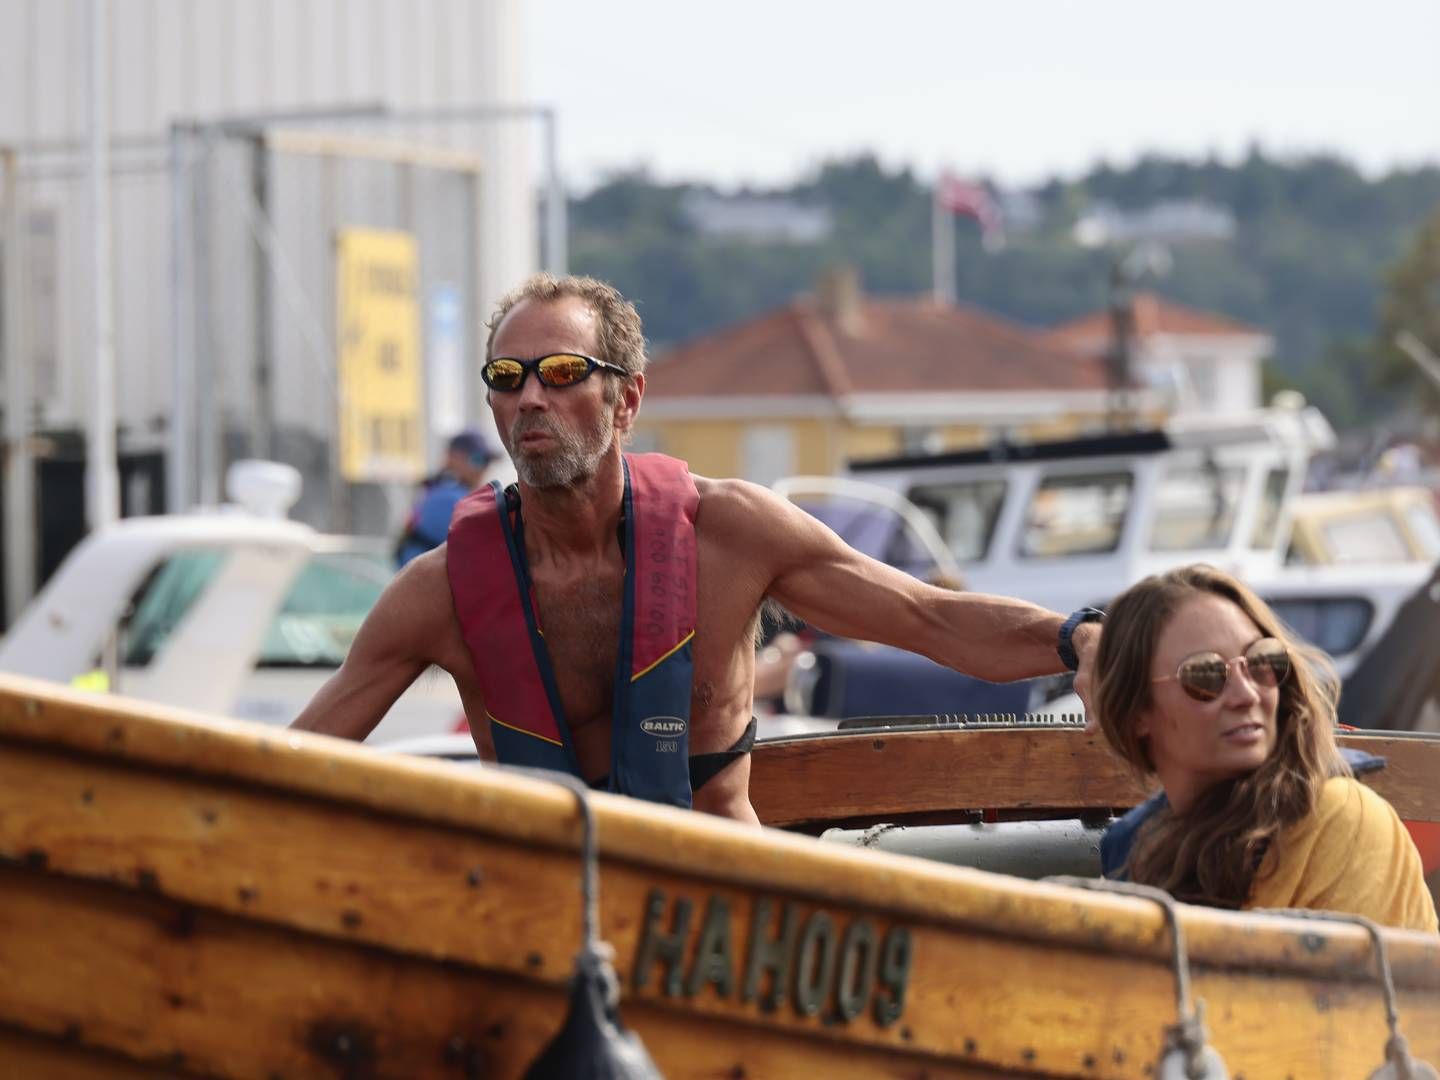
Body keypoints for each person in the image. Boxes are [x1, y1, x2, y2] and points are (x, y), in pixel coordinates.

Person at [292, 272, 1101, 823]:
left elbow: (934, 621)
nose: (530, 395)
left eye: (563, 371)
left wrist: (1081, 639)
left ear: (626, 399)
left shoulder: (732, 536)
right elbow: (292, 761)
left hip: (721, 915)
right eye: (507, 377)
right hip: (542, 920)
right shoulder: (439, 593)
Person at [1092, 563, 1437, 932]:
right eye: (1206, 675)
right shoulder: (1134, 850)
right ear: (1137, 711)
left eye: (1262, 662)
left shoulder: (1342, 820)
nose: (1246, 693)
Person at [394, 428, 496, 567]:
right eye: (477, 459)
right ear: (453, 458)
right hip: (428, 583)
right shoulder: (449, 498)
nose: (482, 469)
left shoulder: (437, 489)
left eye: (487, 462)